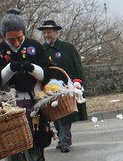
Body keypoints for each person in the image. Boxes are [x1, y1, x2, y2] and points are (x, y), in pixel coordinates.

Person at [0, 9, 53, 161]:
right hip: (10, 105)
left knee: (34, 145)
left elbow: (48, 74)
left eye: (19, 38)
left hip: (34, 104)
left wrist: (33, 69)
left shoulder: (34, 47)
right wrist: (10, 69)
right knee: (15, 146)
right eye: (11, 39)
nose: (16, 43)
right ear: (5, 36)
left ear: (23, 33)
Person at [36, 19, 87, 153]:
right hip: (48, 90)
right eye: (45, 32)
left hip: (65, 89)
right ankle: (62, 139)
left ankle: (65, 141)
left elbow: (77, 67)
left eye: (50, 32)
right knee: (54, 115)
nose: (47, 35)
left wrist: (77, 82)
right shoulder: (41, 50)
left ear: (56, 33)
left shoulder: (67, 48)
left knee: (65, 115)